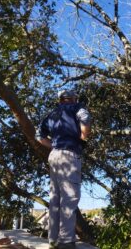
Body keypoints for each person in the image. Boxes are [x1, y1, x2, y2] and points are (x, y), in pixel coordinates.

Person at [37, 90, 91, 249]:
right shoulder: (76, 107)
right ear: (73, 99)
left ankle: (53, 240)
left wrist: (53, 145)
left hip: (54, 156)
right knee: (69, 198)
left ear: (60, 101)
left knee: (55, 198)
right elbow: (86, 118)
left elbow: (39, 136)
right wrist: (83, 135)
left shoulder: (51, 115)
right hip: (69, 156)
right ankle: (66, 242)